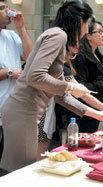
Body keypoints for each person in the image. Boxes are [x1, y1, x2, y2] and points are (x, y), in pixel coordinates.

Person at [0, 1, 103, 172]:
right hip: (23, 112)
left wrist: (100, 114)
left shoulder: (57, 35)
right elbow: (35, 76)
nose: (87, 30)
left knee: (17, 170)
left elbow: (59, 95)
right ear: (79, 21)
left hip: (24, 112)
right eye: (87, 24)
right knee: (20, 172)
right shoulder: (59, 35)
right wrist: (70, 87)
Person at [71, 19, 103, 132]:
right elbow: (80, 86)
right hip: (85, 109)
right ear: (88, 36)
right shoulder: (81, 56)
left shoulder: (96, 53)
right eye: (99, 32)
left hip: (98, 104)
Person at [0, 0, 33, 161]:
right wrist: (8, 72)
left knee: (10, 161)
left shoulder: (10, 35)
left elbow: (30, 56)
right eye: (2, 8)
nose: (7, 10)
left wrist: (21, 28)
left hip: (13, 108)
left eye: (7, 7)